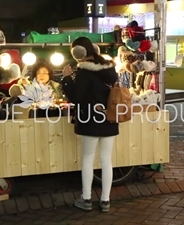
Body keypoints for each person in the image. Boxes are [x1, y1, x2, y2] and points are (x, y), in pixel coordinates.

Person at [61, 37, 119, 212]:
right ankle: (105, 200)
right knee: (106, 161)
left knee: (87, 160)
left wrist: (66, 79)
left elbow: (76, 97)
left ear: (79, 53)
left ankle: (86, 199)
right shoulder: (110, 70)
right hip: (109, 118)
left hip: (90, 120)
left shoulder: (84, 73)